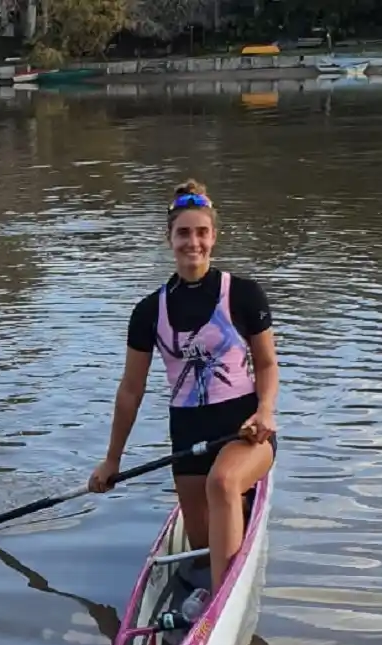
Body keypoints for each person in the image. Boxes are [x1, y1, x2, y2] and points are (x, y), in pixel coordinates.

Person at [87, 179, 279, 595]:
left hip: (245, 432)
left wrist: (265, 411)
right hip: (188, 437)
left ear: (214, 236)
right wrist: (112, 460)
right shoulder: (147, 311)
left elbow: (266, 364)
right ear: (169, 239)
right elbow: (130, 391)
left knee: (222, 483)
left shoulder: (243, 294)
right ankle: (225, 542)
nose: (194, 242)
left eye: (202, 232)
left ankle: (218, 605)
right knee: (202, 547)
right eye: (184, 233)